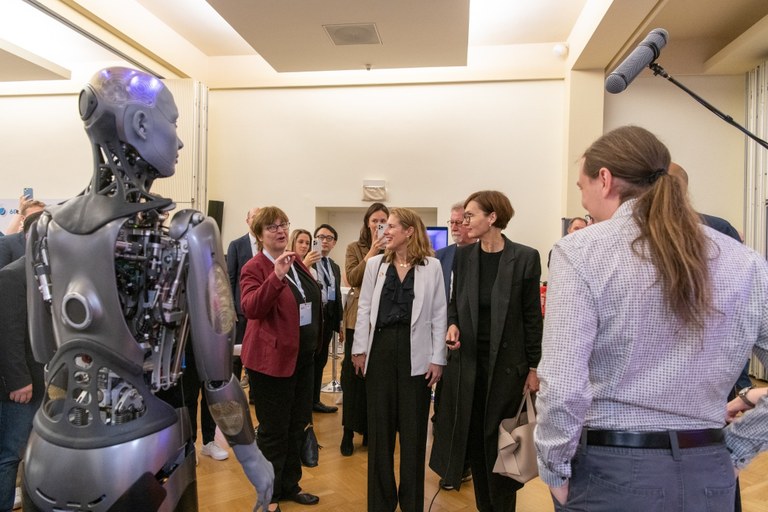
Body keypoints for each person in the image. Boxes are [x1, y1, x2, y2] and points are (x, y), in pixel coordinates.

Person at [22, 67, 273, 512]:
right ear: (140, 125)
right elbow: (217, 374)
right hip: (144, 455)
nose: (178, 141)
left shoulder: (43, 228)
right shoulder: (188, 231)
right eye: (173, 123)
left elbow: (44, 350)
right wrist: (251, 456)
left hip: (49, 447)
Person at [534, 125, 768, 511]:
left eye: (581, 186)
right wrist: (739, 446)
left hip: (611, 471)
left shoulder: (580, 252)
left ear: (605, 179)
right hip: (708, 470)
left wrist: (553, 469)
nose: (584, 200)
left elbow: (562, 383)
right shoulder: (745, 262)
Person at [430, 190, 543, 512]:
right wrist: (452, 324)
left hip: (507, 370)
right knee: (476, 445)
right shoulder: (464, 257)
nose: (463, 222)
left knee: (503, 448)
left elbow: (532, 317)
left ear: (492, 218)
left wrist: (534, 368)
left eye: (470, 215)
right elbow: (455, 304)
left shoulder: (524, 257)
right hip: (469, 368)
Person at [351, 207, 447, 512]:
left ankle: (412, 503)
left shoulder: (432, 267)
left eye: (390, 225)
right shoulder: (375, 265)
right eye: (382, 225)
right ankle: (380, 503)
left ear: (409, 231)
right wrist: (359, 349)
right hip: (380, 350)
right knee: (379, 432)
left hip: (416, 354)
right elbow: (364, 308)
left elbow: (439, 314)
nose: (384, 230)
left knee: (414, 432)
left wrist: (438, 358)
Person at [241, 207, 323, 511]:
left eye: (284, 225)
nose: (280, 230)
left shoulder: (297, 262)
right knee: (274, 431)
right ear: (260, 234)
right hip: (271, 363)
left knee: (296, 425)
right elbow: (252, 308)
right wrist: (275, 277)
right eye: (272, 227)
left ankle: (290, 485)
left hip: (302, 359)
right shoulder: (255, 267)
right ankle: (269, 495)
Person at [0, 212, 45, 512]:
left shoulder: (53, 274)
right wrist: (18, 381)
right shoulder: (12, 276)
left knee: (38, 452)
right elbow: (8, 333)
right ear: (28, 238)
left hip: (49, 381)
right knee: (9, 454)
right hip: (24, 385)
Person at [339, 202, 389, 456]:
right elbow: (354, 277)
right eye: (374, 220)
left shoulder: (394, 248)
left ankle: (371, 431)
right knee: (352, 378)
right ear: (367, 222)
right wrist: (372, 251)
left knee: (376, 379)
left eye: (383, 220)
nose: (378, 224)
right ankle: (348, 431)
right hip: (357, 319)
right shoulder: (354, 248)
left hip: (382, 322)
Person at [433, 201, 476, 489]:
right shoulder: (440, 257)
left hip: (469, 345)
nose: (455, 227)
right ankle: (449, 466)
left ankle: (463, 465)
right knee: (445, 409)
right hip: (440, 340)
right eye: (452, 222)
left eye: (461, 221)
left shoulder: (482, 256)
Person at [311, 224, 343, 414]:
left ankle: (315, 400)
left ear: (334, 243)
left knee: (322, 360)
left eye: (329, 238)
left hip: (329, 319)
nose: (324, 240)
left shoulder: (334, 267)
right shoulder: (307, 262)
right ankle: (307, 401)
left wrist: (339, 322)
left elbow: (337, 294)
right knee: (312, 360)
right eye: (321, 237)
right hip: (313, 318)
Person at [227, 207, 261, 388]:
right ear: (247, 220)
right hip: (241, 309)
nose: (257, 220)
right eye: (254, 217)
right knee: (237, 353)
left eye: (260, 217)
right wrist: (231, 307)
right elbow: (230, 278)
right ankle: (233, 387)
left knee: (257, 351)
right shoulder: (236, 245)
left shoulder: (267, 244)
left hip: (261, 307)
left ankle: (256, 391)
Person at [0, 199, 45, 268]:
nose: (38, 219)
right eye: (34, 216)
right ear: (23, 218)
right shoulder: (7, 242)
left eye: (41, 215)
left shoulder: (51, 241)